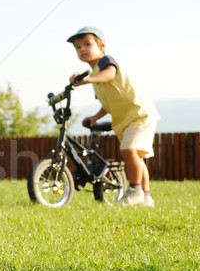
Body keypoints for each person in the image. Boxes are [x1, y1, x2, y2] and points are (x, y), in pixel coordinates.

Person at [67, 27, 159, 207]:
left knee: (128, 150)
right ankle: (146, 197)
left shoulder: (106, 62)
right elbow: (108, 102)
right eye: (78, 47)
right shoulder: (95, 75)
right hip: (127, 119)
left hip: (140, 114)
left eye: (87, 44)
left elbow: (109, 74)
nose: (82, 49)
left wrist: (86, 80)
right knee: (136, 156)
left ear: (101, 46)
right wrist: (95, 117)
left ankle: (134, 191)